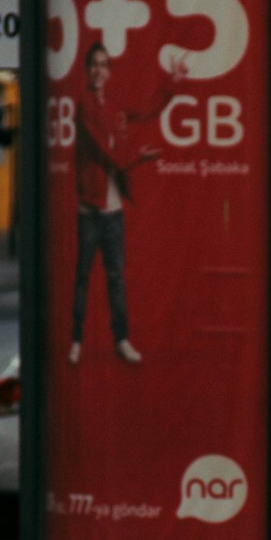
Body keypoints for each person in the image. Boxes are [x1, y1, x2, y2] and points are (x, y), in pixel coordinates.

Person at [69, 42, 184, 366]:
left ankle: (121, 339)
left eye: (104, 65)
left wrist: (173, 83)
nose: (99, 70)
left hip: (113, 210)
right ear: (87, 69)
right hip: (90, 210)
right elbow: (109, 156)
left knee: (116, 277)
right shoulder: (85, 107)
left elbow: (148, 109)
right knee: (82, 276)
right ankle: (76, 340)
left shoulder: (114, 107)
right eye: (94, 64)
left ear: (109, 71)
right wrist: (138, 157)